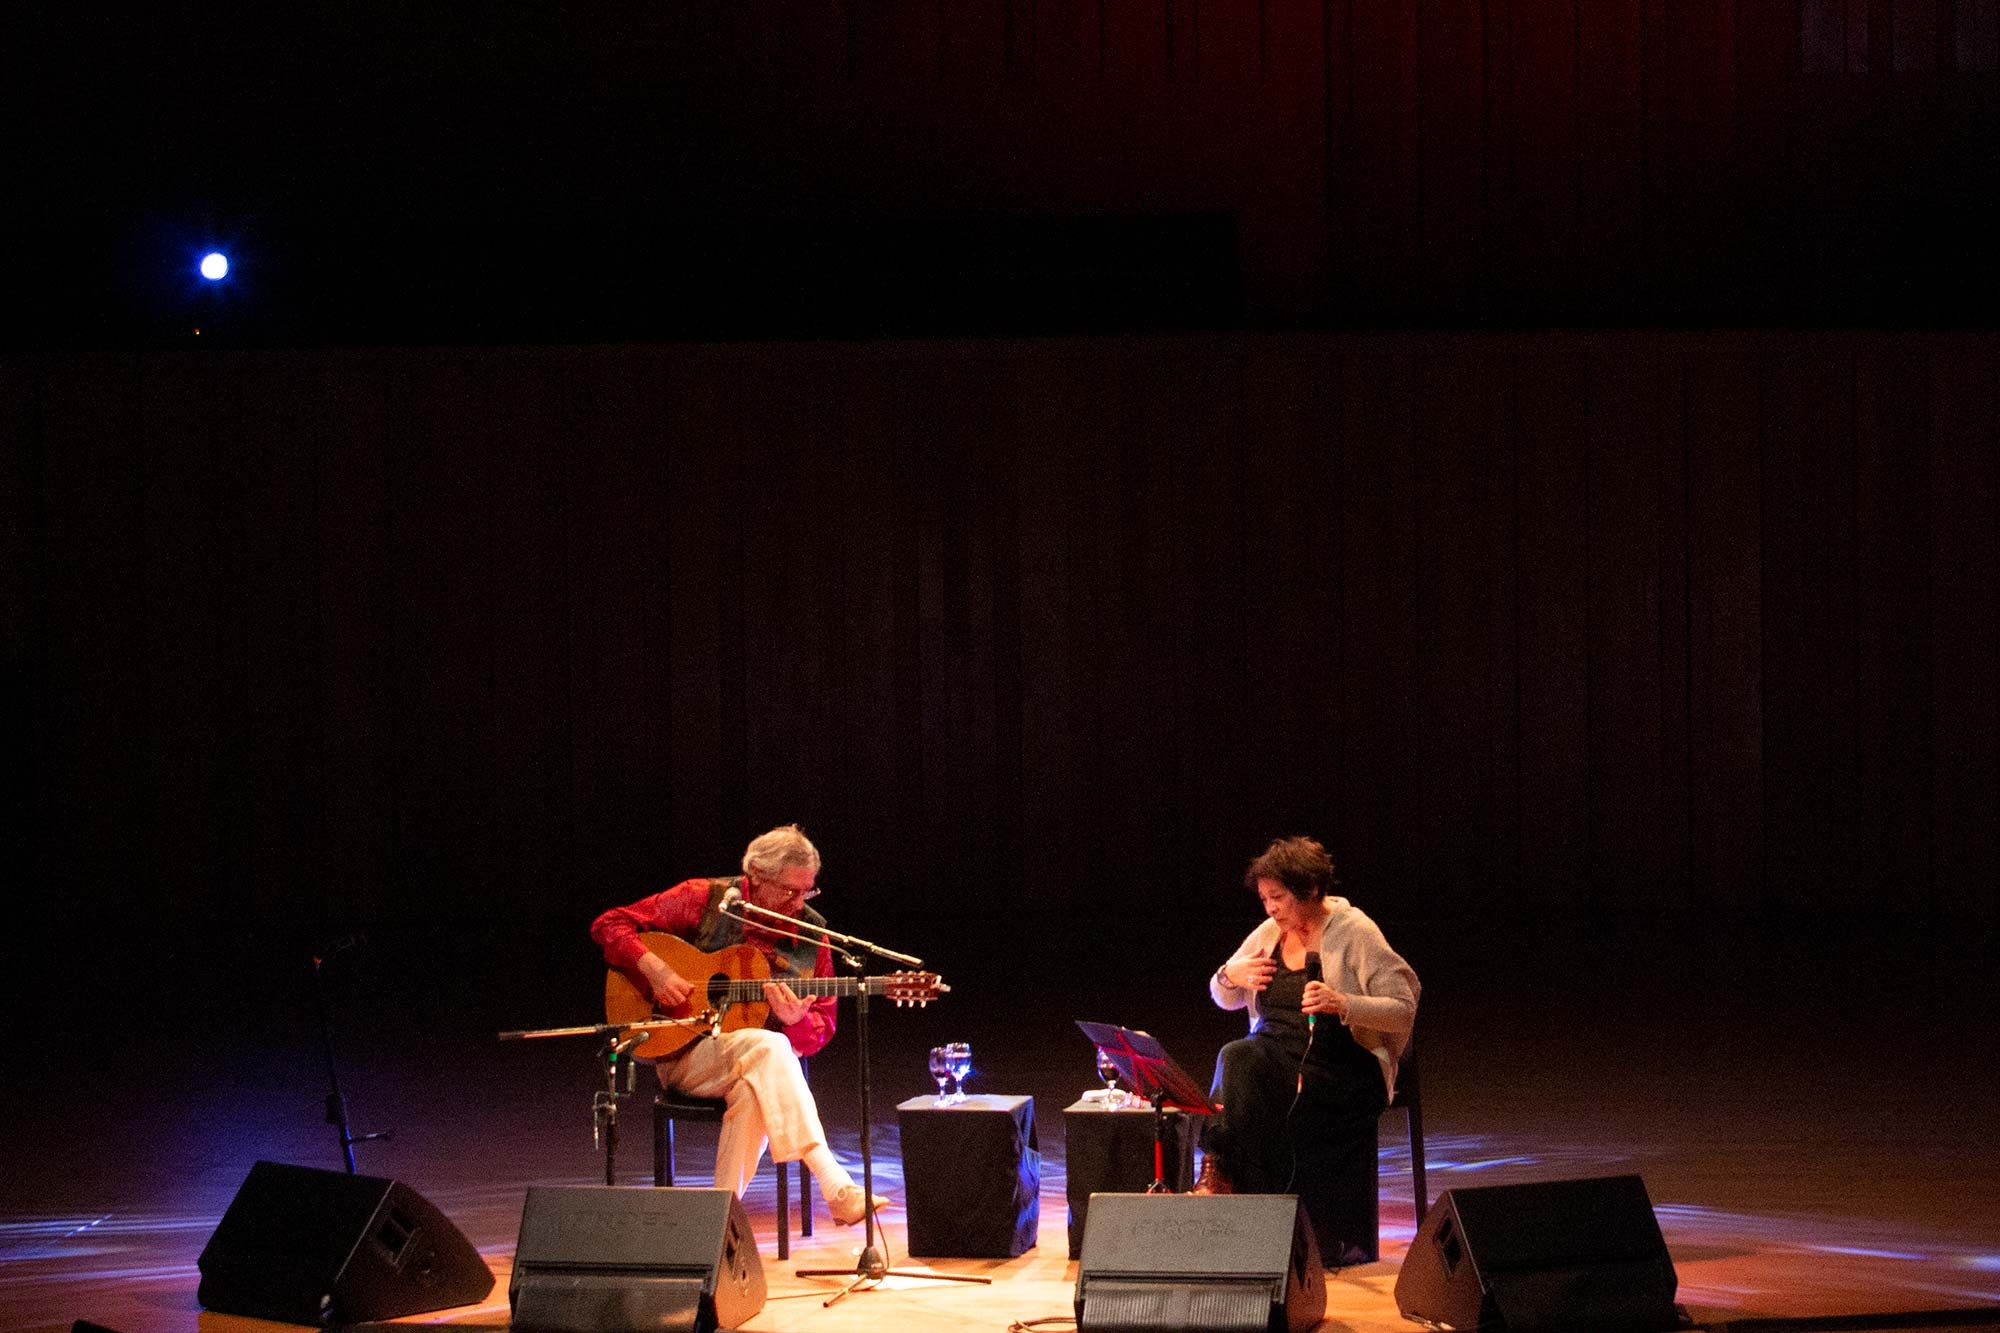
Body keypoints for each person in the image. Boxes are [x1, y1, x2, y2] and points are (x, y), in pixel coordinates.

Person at [590, 824, 886, 1225]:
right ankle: (836, 1186)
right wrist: (656, 969)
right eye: (789, 891)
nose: (799, 903)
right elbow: (609, 924)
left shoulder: (813, 935)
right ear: (756, 879)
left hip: (761, 1067)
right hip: (686, 1054)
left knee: (756, 1088)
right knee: (773, 1048)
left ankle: (716, 1224)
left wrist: (795, 1022)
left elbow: (821, 1031)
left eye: (807, 891)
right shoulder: (706, 899)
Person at [1196, 836, 1419, 1266]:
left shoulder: (1356, 932)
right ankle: (1245, 1209)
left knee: (1249, 1078)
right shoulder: (1269, 933)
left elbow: (1403, 1006)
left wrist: (1345, 1004)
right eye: (1263, 898)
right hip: (1277, 1057)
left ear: (1311, 890)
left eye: (1277, 897)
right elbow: (1221, 995)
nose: (1270, 909)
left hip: (1343, 1066)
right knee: (1238, 1057)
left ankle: (1267, 1226)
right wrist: (1229, 975)